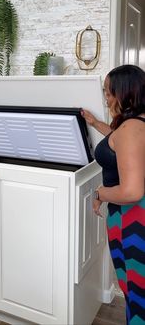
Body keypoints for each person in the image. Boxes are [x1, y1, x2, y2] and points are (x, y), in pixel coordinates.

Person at [81, 64, 145, 325]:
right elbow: (118, 143)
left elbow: (131, 191)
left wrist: (100, 192)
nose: (106, 98)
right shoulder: (135, 124)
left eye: (108, 92)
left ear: (124, 93)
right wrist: (96, 123)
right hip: (132, 217)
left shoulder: (131, 129)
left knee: (137, 294)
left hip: (132, 221)